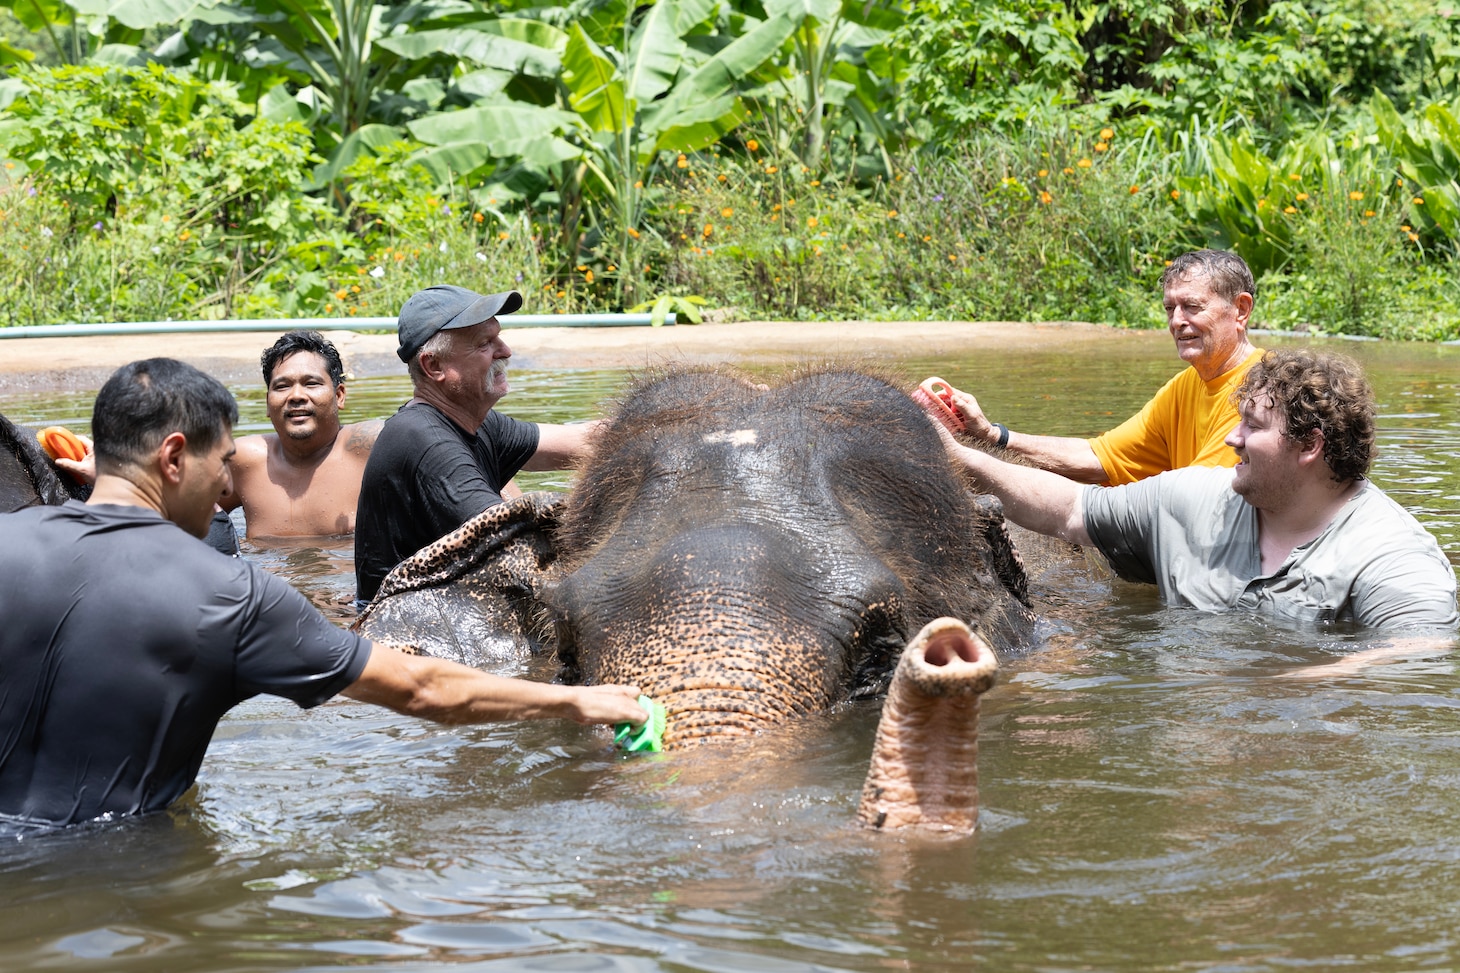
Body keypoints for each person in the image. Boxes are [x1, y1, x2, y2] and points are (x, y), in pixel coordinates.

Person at [0, 358, 645, 831]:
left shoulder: (9, 542)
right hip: (115, 869)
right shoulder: (230, 593)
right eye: (222, 461)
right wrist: (581, 702)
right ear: (174, 459)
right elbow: (423, 689)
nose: (229, 479)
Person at [928, 348, 1458, 631]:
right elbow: (1068, 509)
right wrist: (958, 457)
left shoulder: (1390, 554)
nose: (1232, 437)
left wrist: (1290, 687)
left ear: (1310, 445)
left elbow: (1417, 655)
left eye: (1252, 425)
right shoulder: (1195, 498)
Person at [929, 249, 1264, 485]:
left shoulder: (1262, 388)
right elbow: (1101, 457)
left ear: (1241, 310)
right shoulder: (1183, 387)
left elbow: (1196, 496)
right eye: (1169, 308)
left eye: (1192, 306)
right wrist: (992, 435)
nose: (1177, 321)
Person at [354, 285, 598, 603]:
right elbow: (516, 541)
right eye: (485, 344)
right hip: (403, 633)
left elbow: (587, 442)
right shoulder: (423, 440)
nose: (506, 351)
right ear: (434, 367)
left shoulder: (474, 420)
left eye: (498, 337)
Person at [219, 330, 384, 539]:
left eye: (311, 383)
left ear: (339, 395)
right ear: (267, 403)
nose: (296, 396)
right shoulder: (243, 461)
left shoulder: (371, 447)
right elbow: (181, 522)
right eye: (282, 386)